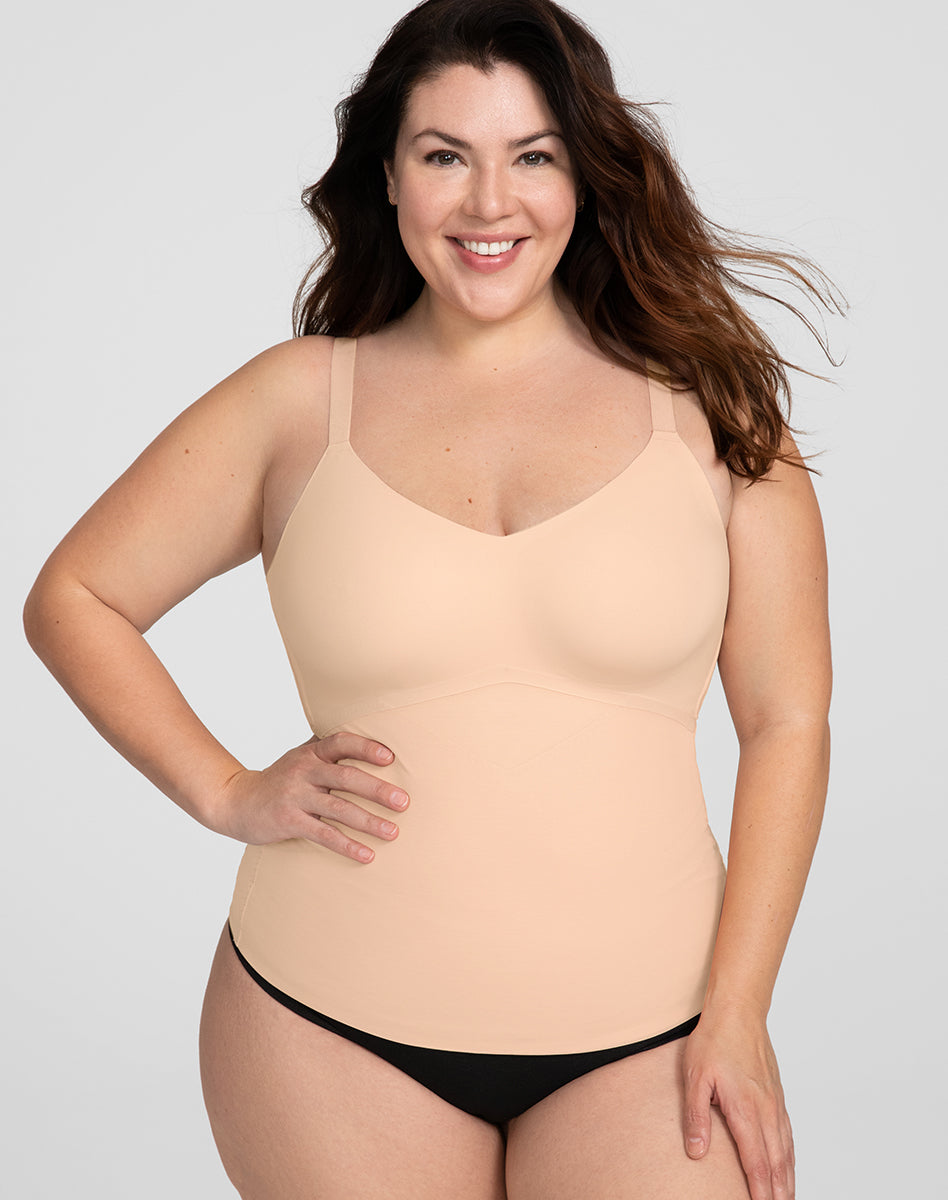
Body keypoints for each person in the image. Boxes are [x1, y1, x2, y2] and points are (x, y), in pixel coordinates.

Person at [23, 0, 836, 1196]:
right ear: (389, 177)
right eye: (445, 155)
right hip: (324, 1025)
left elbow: (787, 723)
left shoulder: (714, 414)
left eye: (533, 157)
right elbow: (77, 594)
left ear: (585, 177)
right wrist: (225, 789)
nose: (489, 203)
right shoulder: (296, 402)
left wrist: (742, 1011)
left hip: (656, 1033)